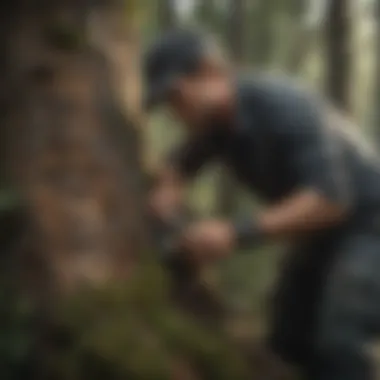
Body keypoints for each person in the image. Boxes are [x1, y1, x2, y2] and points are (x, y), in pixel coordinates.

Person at [144, 29, 380, 380]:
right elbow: (179, 165)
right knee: (285, 343)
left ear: (210, 72)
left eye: (177, 96)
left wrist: (234, 233)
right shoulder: (215, 126)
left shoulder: (282, 105)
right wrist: (168, 192)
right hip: (321, 238)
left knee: (338, 341)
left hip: (369, 227)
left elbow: (331, 199)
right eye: (167, 103)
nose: (175, 112)